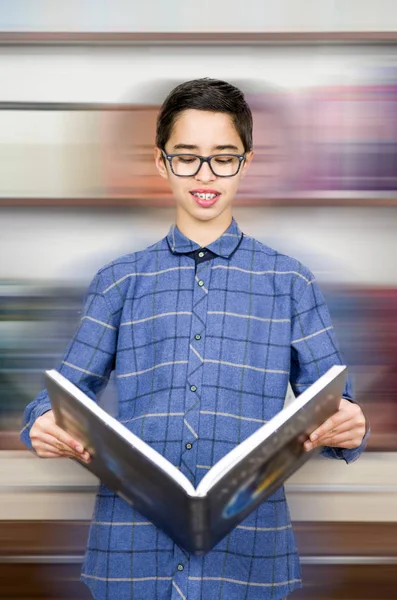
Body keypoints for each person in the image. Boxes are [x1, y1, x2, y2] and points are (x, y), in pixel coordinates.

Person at [20, 78, 369, 600]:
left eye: (223, 158)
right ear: (162, 163)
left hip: (249, 555)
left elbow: (333, 401)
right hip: (131, 553)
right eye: (187, 157)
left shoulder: (291, 282)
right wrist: (40, 424)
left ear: (245, 163)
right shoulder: (119, 280)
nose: (205, 174)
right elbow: (62, 395)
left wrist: (350, 422)